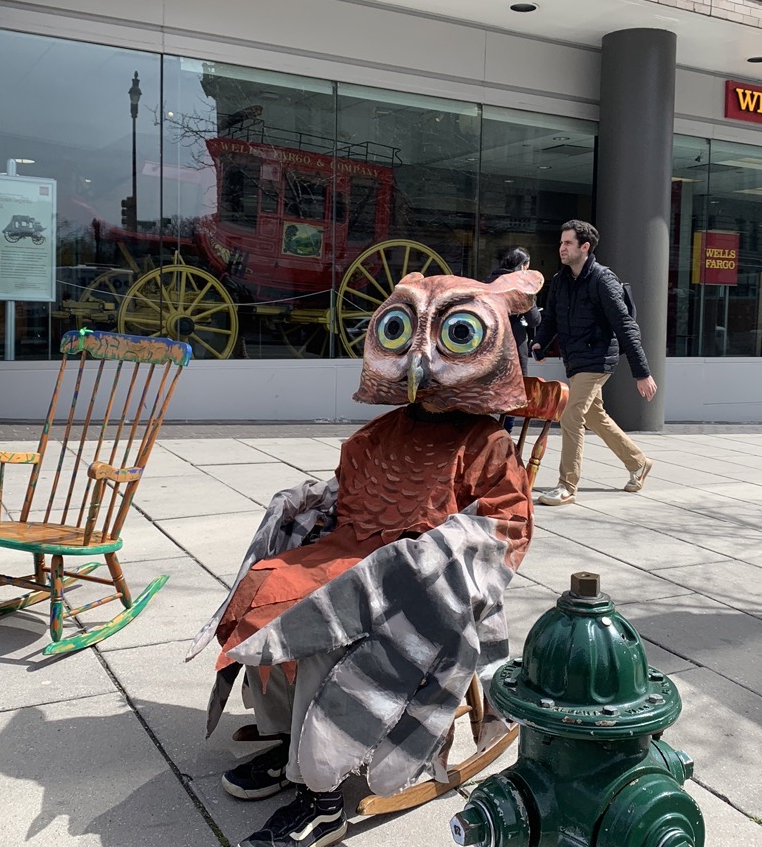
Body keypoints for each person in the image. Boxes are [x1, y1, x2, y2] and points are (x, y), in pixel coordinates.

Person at [188, 269, 541, 847]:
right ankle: (289, 742)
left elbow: (505, 528)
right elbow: (345, 492)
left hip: (422, 583)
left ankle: (321, 795)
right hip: (351, 548)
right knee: (264, 590)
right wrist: (306, 504)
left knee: (329, 620)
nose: (421, 358)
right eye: (402, 330)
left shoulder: (486, 445)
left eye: (453, 335)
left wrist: (432, 551)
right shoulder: (375, 436)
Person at [531, 219, 657, 506]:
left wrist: (642, 373)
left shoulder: (603, 280)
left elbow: (625, 325)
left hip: (598, 359)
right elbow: (551, 318)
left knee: (572, 414)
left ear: (584, 247)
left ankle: (567, 485)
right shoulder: (561, 280)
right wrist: (540, 341)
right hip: (575, 359)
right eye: (561, 242)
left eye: (568, 243)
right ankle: (638, 463)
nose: (561, 248)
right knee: (593, 416)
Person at [486, 246, 540, 433]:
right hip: (514, 343)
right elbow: (534, 320)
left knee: (488, 386)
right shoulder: (521, 285)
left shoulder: (489, 281)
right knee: (512, 390)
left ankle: (483, 431)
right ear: (523, 266)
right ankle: (505, 432)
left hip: (489, 343)